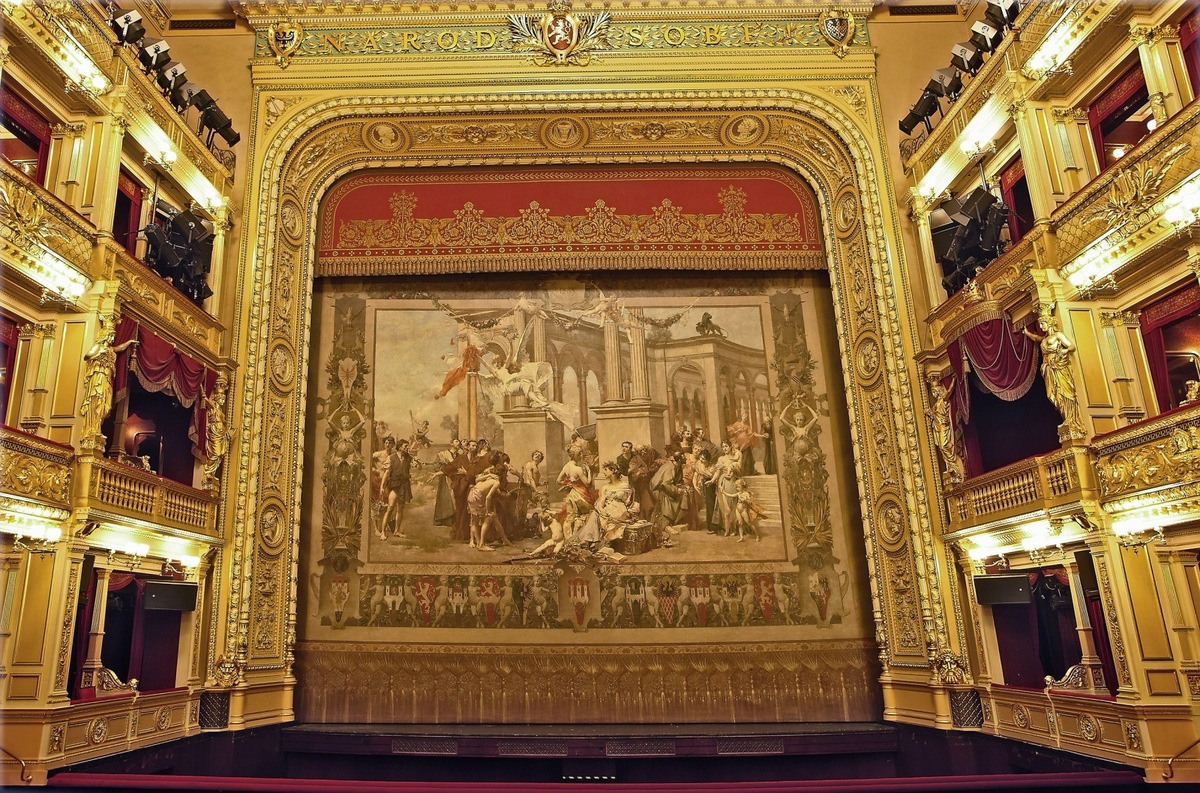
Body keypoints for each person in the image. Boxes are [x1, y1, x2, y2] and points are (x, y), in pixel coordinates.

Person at [79, 313, 138, 447]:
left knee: (106, 405)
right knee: (97, 401)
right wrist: (101, 351)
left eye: (113, 337)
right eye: (110, 336)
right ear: (104, 335)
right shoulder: (99, 347)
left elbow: (119, 348)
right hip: (99, 377)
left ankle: (97, 428)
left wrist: (129, 342)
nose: (111, 339)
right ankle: (91, 429)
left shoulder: (111, 349)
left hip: (107, 378)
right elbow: (87, 356)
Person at [1023, 310, 1085, 437]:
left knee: (1066, 392)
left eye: (1043, 324)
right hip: (1049, 369)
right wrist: (1027, 333)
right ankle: (1066, 418)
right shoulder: (1044, 339)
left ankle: (1072, 420)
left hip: (1059, 367)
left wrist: (1065, 351)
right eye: (1040, 324)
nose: (1041, 327)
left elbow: (1071, 346)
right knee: (1054, 394)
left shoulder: (1058, 335)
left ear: (1049, 323)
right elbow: (1036, 338)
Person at [378, 437, 419, 539]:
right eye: (405, 446)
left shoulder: (409, 458)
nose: (407, 448)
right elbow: (387, 473)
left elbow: (418, 467)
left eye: (407, 446)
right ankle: (383, 532)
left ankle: (396, 531)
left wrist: (418, 464)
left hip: (404, 485)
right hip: (394, 484)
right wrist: (382, 486)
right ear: (400, 447)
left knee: (400, 508)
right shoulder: (391, 458)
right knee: (390, 507)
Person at [556, 446, 596, 540]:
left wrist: (568, 483)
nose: (581, 455)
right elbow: (587, 483)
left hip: (571, 495)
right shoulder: (578, 469)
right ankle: (580, 537)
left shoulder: (566, 466)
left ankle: (569, 539)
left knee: (570, 517)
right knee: (587, 514)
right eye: (580, 454)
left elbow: (558, 481)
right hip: (581, 496)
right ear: (575, 455)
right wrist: (589, 472)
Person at [734, 478, 767, 542]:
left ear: (742, 487)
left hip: (744, 510)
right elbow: (731, 495)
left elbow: (750, 502)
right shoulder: (738, 493)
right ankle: (741, 537)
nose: (737, 489)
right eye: (736, 487)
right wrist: (723, 491)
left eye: (738, 487)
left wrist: (745, 500)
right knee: (740, 523)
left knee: (749, 523)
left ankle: (757, 535)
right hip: (738, 509)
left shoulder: (746, 493)